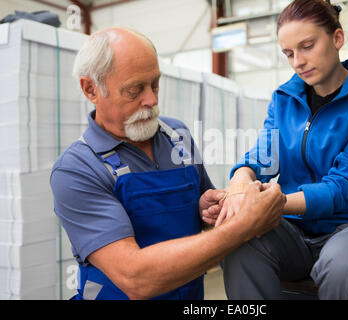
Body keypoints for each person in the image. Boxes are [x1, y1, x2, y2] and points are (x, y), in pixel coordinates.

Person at [50, 27, 286, 300]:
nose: (151, 99)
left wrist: (211, 210)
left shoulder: (177, 137)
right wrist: (244, 225)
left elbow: (208, 221)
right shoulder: (77, 170)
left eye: (155, 84)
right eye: (134, 89)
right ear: (91, 89)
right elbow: (135, 278)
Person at [216, 0, 348, 300]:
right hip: (293, 232)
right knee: (236, 243)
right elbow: (263, 155)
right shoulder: (284, 98)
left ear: (337, 38)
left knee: (345, 266)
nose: (297, 61)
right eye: (289, 53)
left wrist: (272, 203)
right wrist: (239, 182)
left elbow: (345, 188)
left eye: (307, 46)